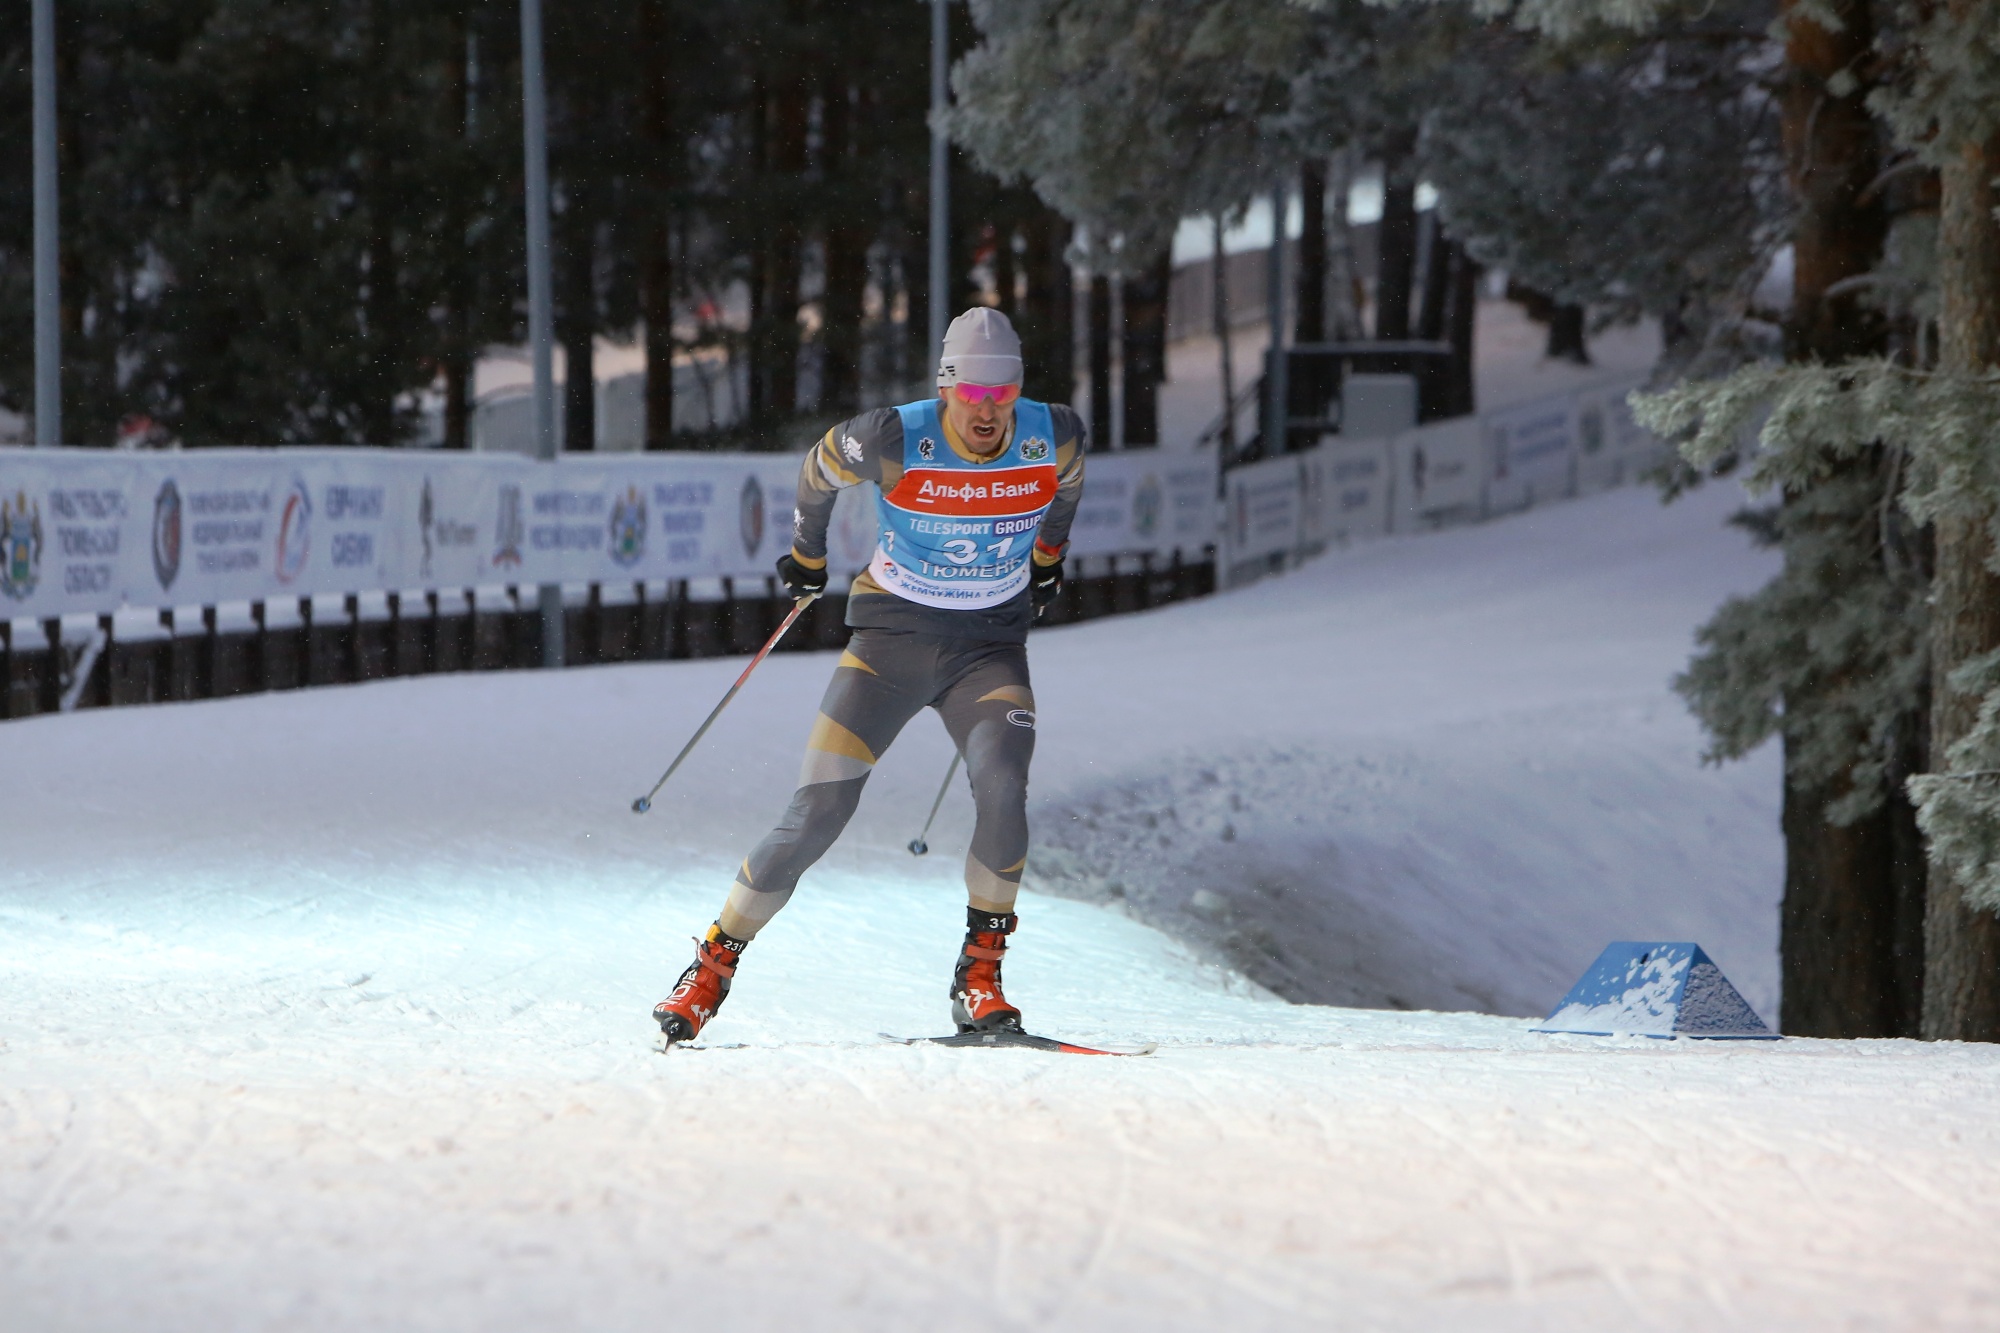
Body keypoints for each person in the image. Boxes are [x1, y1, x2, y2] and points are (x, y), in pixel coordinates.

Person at [653, 308, 1088, 1043]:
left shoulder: (1058, 433)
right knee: (817, 813)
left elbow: (1067, 493)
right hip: (887, 646)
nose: (986, 412)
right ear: (947, 387)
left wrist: (1047, 560)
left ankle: (980, 977)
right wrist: (808, 556)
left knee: (1004, 787)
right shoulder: (895, 434)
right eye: (971, 395)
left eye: (1001, 395)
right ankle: (712, 964)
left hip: (986, 652)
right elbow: (818, 471)